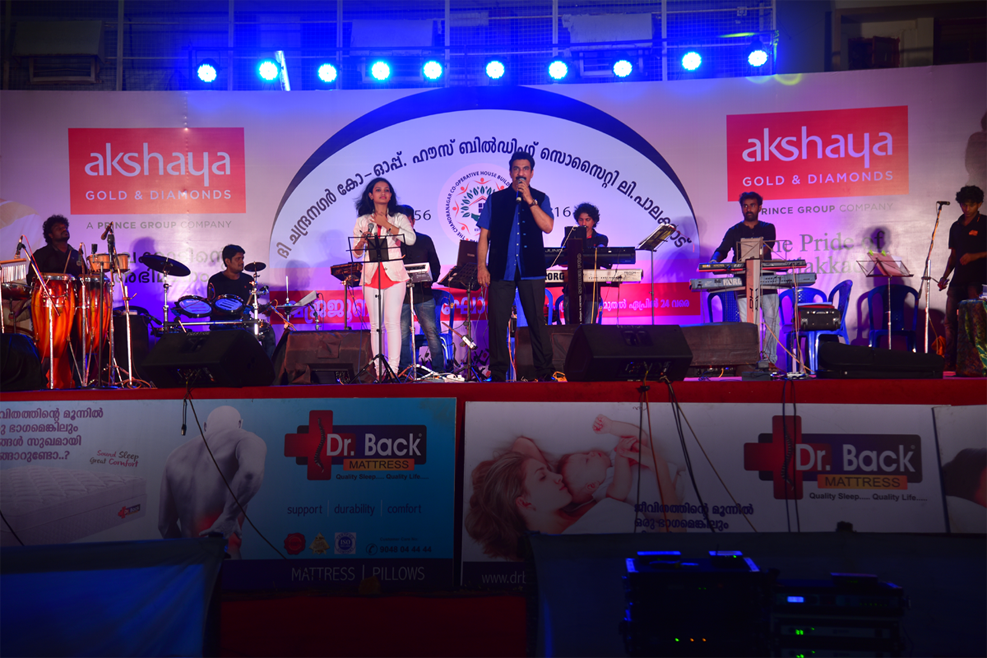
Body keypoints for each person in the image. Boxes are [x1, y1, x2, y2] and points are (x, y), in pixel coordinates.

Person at [476, 150, 554, 382]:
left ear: (532, 173)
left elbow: (548, 226)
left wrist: (530, 200)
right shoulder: (496, 199)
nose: (521, 173)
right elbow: (483, 236)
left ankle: (545, 372)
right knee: (497, 323)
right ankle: (498, 374)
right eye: (516, 169)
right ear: (510, 172)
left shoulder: (540, 197)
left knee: (536, 322)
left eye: (525, 169)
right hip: (501, 269)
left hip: (532, 270)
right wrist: (481, 266)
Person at [158, 405, 267, 559]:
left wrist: (185, 556)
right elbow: (251, 472)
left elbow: (164, 525)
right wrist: (228, 516)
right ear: (240, 424)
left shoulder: (175, 455)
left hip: (189, 562)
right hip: (224, 559)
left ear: (205, 426)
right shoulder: (245, 438)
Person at [353, 177, 416, 379]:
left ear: (390, 195)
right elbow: (356, 253)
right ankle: (379, 371)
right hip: (371, 276)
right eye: (378, 190)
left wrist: (386, 224)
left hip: (395, 276)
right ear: (371, 195)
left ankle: (393, 370)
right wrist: (361, 243)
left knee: (392, 323)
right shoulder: (363, 220)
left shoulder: (398, 217)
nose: (383, 193)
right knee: (375, 326)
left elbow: (411, 239)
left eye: (386, 190)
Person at [710, 191, 779, 366]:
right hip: (742, 282)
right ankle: (751, 361)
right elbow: (722, 250)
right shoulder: (734, 231)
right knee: (749, 325)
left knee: (772, 321)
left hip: (766, 281)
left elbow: (767, 247)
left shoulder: (768, 228)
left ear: (760, 207)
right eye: (745, 206)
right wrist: (714, 260)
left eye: (752, 205)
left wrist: (754, 256)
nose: (748, 209)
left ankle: (769, 360)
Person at [938, 185, 986, 371]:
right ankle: (950, 361)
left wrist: (975, 256)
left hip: (977, 280)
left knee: (975, 322)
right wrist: (944, 277)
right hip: (957, 280)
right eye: (963, 205)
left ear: (979, 204)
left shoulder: (984, 223)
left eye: (971, 205)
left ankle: (976, 361)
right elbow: (953, 256)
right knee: (950, 322)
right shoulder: (956, 226)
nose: (967, 209)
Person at [396, 204, 445, 375]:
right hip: (400, 297)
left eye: (406, 220)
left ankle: (439, 371)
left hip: (423, 295)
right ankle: (405, 372)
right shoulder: (393, 243)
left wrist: (430, 280)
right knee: (402, 335)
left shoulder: (425, 240)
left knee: (431, 332)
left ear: (413, 221)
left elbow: (436, 266)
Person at [206, 244, 275, 357]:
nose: (242, 262)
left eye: (242, 258)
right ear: (227, 261)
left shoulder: (248, 280)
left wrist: (264, 308)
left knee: (268, 332)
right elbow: (212, 307)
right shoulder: (216, 280)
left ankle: (267, 365)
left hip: (244, 323)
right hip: (223, 324)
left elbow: (253, 305)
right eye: (238, 259)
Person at [562, 203, 609, 325]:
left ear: (594, 221)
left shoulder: (600, 238)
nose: (584, 223)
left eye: (587, 220)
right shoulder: (569, 237)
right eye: (581, 220)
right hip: (571, 290)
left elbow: (599, 256)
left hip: (591, 291)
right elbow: (562, 261)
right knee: (570, 328)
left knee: (588, 328)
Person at [27, 214, 85, 282]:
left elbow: (84, 277)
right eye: (58, 228)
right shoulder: (40, 255)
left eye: (65, 227)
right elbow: (31, 279)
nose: (64, 229)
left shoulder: (76, 254)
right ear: (50, 235)